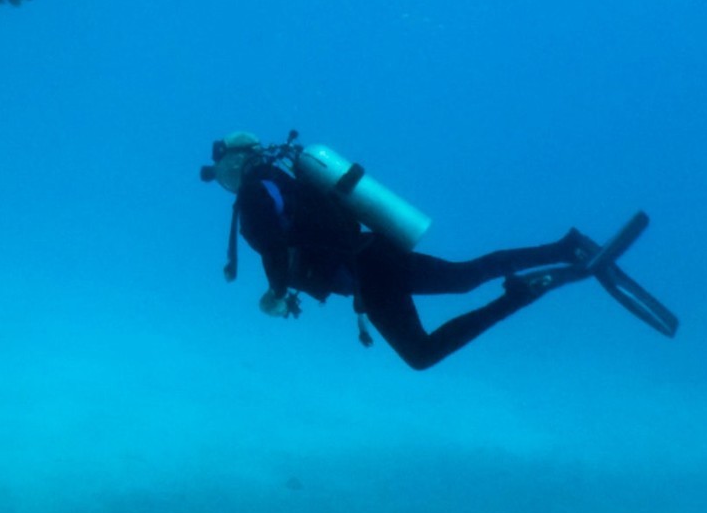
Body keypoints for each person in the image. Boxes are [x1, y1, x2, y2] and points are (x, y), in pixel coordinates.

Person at [206, 131, 590, 370]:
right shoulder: (281, 181)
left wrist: (276, 293)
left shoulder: (255, 193)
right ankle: (564, 249)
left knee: (422, 353)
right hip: (373, 256)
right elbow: (310, 238)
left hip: (367, 273)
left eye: (227, 171)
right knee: (465, 277)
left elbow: (276, 248)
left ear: (238, 162)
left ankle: (522, 294)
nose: (228, 179)